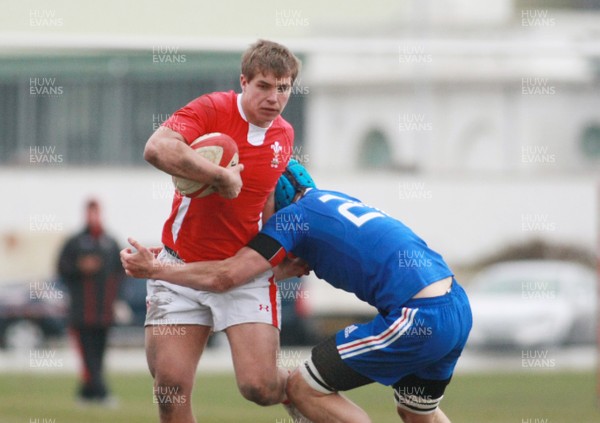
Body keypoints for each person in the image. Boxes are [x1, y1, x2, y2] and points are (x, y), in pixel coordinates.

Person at [121, 160, 473, 423]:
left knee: (302, 388)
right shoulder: (330, 200)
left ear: (278, 195)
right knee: (416, 412)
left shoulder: (292, 219)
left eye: (260, 198)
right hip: (455, 304)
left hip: (416, 315)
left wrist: (157, 269)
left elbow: (226, 276)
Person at [141, 39, 302, 422]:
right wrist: (219, 177)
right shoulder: (212, 108)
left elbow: (265, 200)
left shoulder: (284, 136)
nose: (273, 98)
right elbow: (156, 148)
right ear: (243, 81)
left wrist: (276, 260)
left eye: (283, 88)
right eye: (263, 85)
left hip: (242, 273)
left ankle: (313, 397)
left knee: (259, 387)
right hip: (181, 269)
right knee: (169, 388)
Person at [57, 198, 124, 407]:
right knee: (88, 356)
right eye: (90, 212)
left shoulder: (110, 242)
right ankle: (102, 393)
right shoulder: (75, 242)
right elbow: (61, 268)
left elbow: (121, 272)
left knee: (99, 354)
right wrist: (80, 267)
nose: (93, 217)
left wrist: (119, 300)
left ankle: (86, 394)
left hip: (104, 312)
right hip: (81, 312)